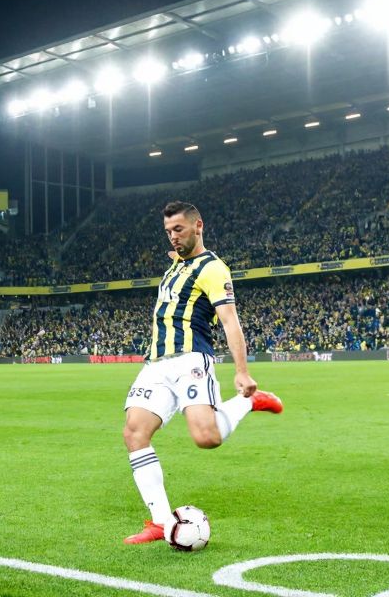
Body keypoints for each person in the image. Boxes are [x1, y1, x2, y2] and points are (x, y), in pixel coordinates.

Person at [121, 201, 283, 545]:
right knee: (134, 433)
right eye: (167, 232)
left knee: (206, 438)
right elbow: (180, 257)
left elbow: (229, 321)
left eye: (178, 229)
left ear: (198, 226)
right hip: (155, 364)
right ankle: (160, 522)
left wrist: (242, 372)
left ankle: (248, 403)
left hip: (191, 360)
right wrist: (178, 254)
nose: (172, 237)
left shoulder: (213, 269)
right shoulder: (177, 264)